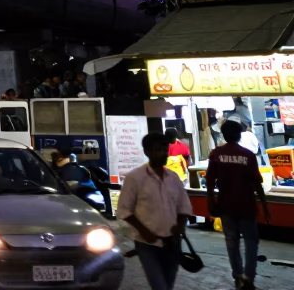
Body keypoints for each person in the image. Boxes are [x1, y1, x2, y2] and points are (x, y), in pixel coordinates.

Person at [116, 133, 194, 290]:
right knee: (159, 286)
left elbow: (183, 206)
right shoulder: (134, 178)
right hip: (147, 244)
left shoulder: (173, 177)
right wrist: (144, 232)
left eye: (165, 149)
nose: (163, 153)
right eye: (158, 149)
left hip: (172, 243)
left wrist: (180, 226)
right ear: (147, 152)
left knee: (168, 284)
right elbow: (124, 210)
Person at [206, 120, 271, 290]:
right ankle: (248, 277)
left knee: (231, 242)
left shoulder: (216, 154)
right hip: (247, 206)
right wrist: (265, 207)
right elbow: (257, 183)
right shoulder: (248, 155)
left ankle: (237, 276)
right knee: (251, 242)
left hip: (226, 206)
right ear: (239, 135)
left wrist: (210, 202)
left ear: (224, 135)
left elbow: (210, 181)